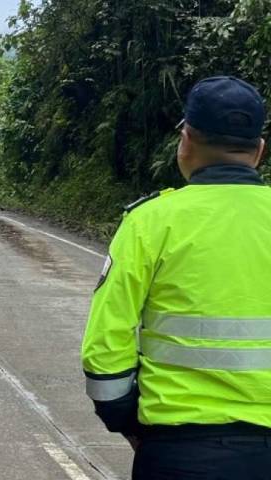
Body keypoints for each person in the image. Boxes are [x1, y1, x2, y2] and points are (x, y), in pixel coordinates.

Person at [81, 76, 271, 480]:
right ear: (259, 151)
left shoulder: (150, 221)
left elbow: (105, 343)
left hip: (181, 453)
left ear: (185, 142)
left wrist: (126, 422)